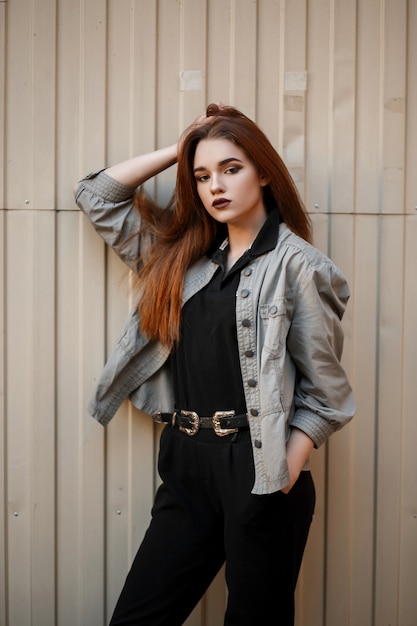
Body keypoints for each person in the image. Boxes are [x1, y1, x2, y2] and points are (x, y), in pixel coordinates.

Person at [74, 103, 355, 626]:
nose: (215, 187)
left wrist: (279, 476)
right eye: (202, 176)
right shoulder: (181, 260)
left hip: (260, 469)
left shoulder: (300, 268)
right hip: (185, 464)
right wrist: (185, 146)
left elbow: (326, 396)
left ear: (265, 172)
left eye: (232, 168)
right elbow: (97, 196)